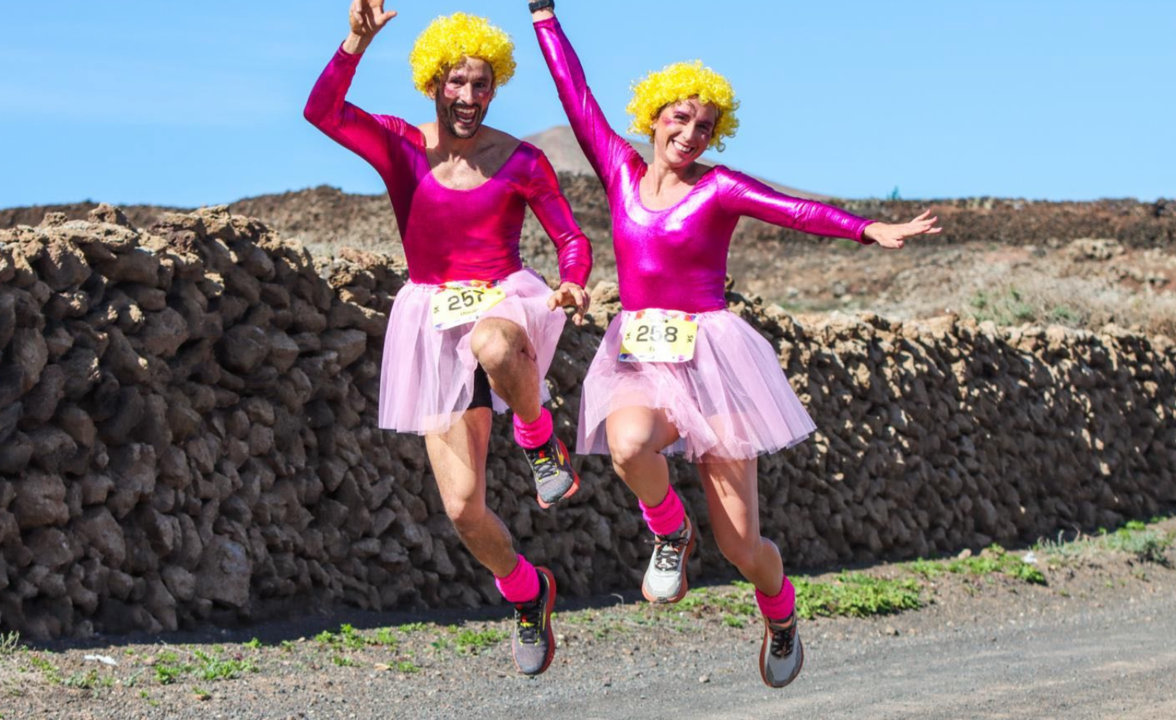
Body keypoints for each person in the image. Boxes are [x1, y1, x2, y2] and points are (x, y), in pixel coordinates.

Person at [527, 1, 940, 688]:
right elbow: (576, 94)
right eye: (680, 119)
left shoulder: (719, 188)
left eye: (705, 126)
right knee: (626, 444)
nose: (690, 134)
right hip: (642, 355)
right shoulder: (619, 171)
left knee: (742, 543)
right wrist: (543, 14)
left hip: (713, 361)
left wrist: (868, 230)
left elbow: (796, 209)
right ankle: (668, 530)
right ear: (654, 115)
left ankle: (780, 614)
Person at [304, 0, 596, 676]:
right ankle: (528, 592)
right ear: (434, 80)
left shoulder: (519, 160)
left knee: (495, 347)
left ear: (496, 88)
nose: (468, 97)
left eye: (482, 84)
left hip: (501, 301)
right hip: (431, 326)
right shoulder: (399, 144)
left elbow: (571, 239)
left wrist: (574, 280)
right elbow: (322, 112)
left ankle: (538, 439)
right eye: (456, 82)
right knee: (464, 511)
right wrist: (352, 43)